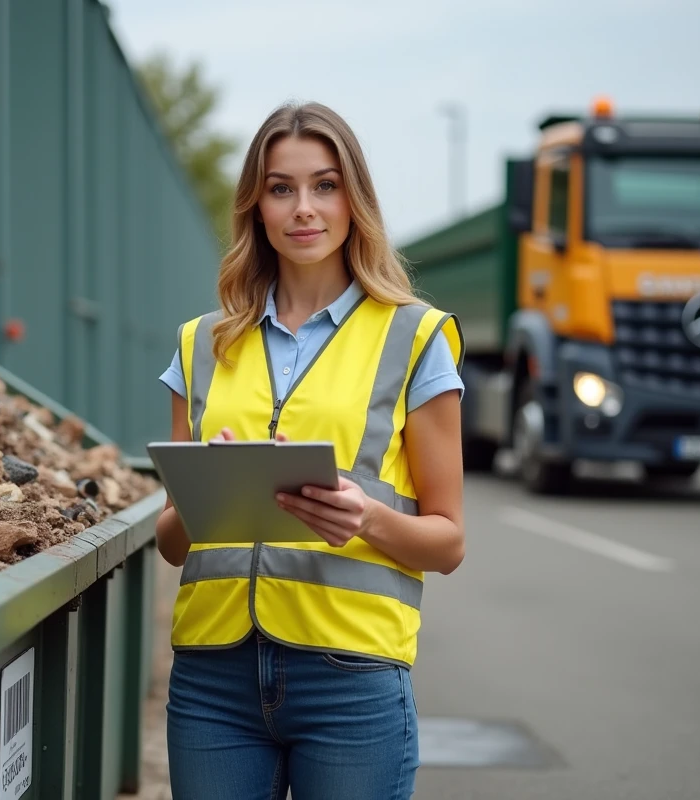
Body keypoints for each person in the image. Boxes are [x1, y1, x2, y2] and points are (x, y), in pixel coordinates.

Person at [154, 101, 467, 800]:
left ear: (355, 201)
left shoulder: (415, 338)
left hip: (349, 679)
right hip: (212, 679)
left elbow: (447, 543)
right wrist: (210, 494)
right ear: (255, 206)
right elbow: (172, 542)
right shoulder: (199, 346)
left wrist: (366, 519)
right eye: (280, 187)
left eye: (325, 186)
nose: (304, 208)